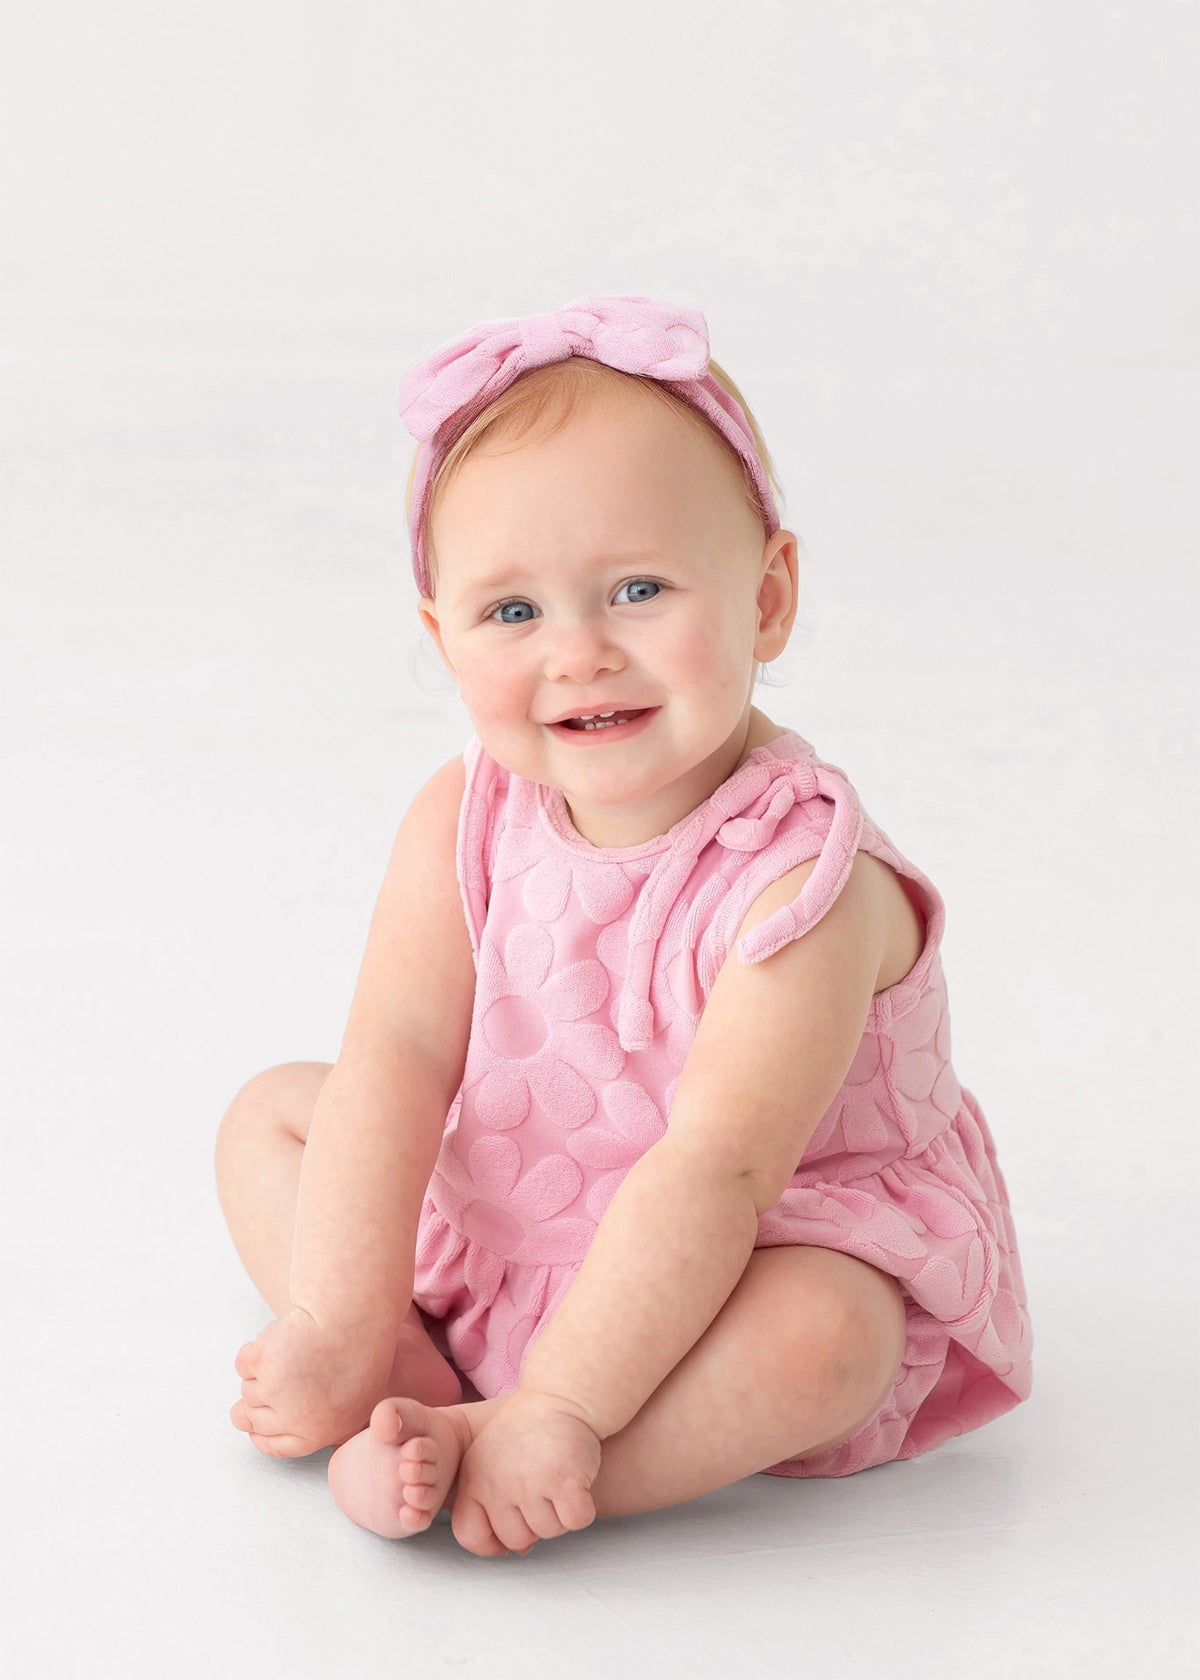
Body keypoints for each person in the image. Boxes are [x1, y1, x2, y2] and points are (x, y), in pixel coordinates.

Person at [214, 293, 1033, 1559]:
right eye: (512, 613)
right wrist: (330, 1305)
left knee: (833, 1336)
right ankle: (387, 1367)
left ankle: (540, 1454)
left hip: (726, 1260)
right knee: (273, 1114)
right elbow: (401, 1052)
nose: (578, 654)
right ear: (441, 637)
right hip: (526, 1201)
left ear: (767, 598)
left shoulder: (802, 887)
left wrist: (565, 1405)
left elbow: (721, 1169)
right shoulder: (465, 811)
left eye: (638, 590)